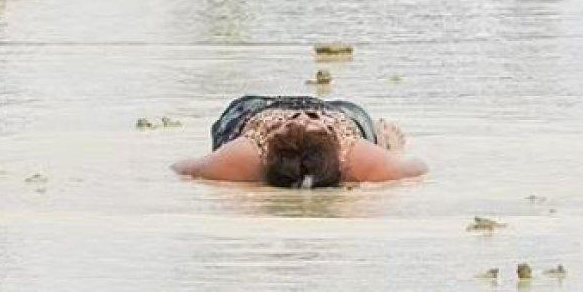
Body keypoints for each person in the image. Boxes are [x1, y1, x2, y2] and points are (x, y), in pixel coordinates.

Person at [171, 95, 428, 187]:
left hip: (254, 108)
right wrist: (392, 152)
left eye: (294, 122)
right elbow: (417, 168)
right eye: (311, 121)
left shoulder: (248, 154)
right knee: (363, 122)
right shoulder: (352, 153)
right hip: (341, 113)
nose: (302, 115)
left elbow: (183, 167)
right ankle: (380, 138)